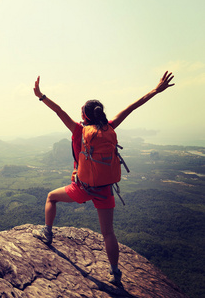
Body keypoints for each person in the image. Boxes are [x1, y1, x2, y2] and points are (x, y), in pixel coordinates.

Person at [31, 71, 175, 285]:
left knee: (51, 197)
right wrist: (155, 90)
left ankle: (47, 234)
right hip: (105, 189)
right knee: (108, 233)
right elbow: (132, 107)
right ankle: (115, 272)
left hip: (83, 188)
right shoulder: (110, 127)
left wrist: (41, 96)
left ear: (86, 115)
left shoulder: (79, 130)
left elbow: (58, 110)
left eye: (81, 111)